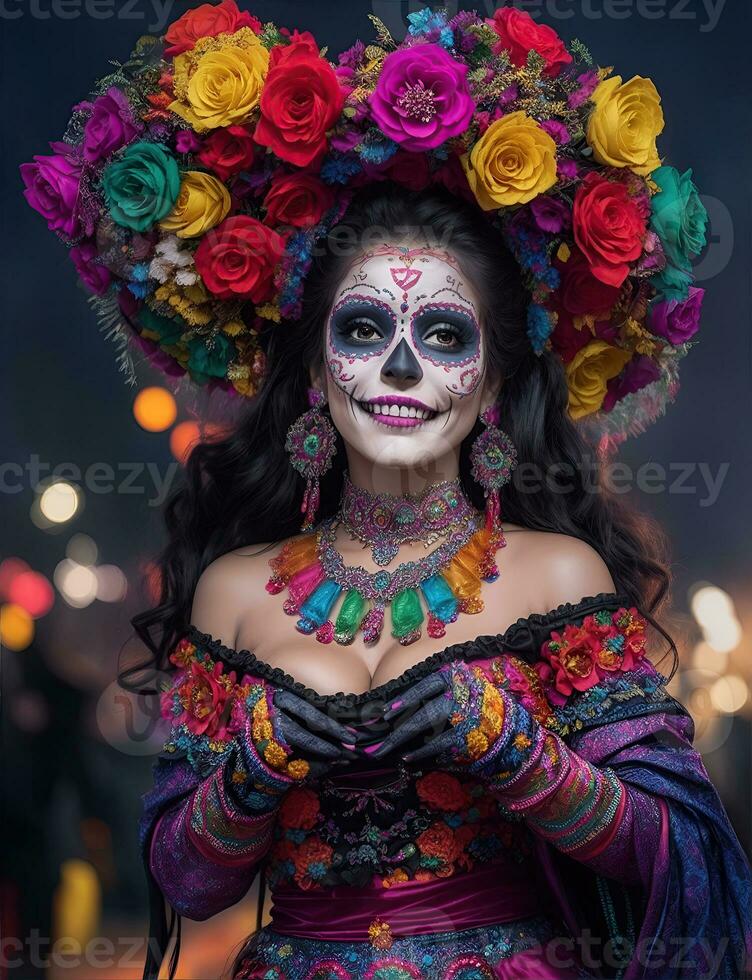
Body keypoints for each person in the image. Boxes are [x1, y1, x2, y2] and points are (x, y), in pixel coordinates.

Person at [18, 4, 752, 978]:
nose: (400, 364)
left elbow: (675, 852)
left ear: (490, 382)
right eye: (363, 328)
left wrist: (523, 756)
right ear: (315, 372)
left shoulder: (556, 573)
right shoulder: (233, 590)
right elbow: (187, 880)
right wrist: (255, 765)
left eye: (443, 335)